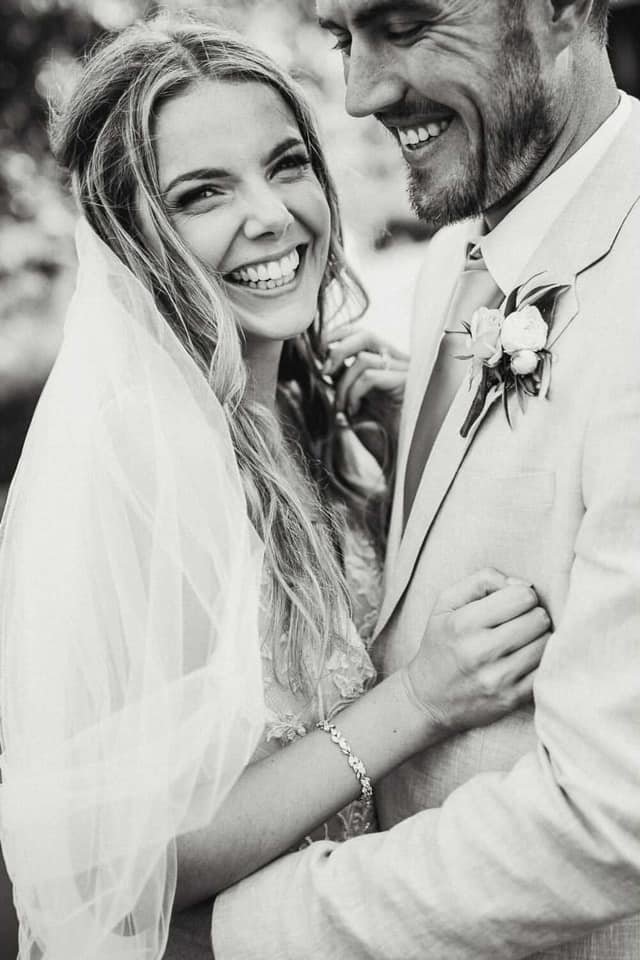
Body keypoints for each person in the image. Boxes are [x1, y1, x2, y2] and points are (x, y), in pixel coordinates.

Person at [0, 17, 550, 960]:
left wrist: (394, 479)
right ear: (133, 234)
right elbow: (110, 864)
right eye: (202, 193)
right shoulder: (144, 460)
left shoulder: (302, 409)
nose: (271, 215)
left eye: (286, 164)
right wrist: (415, 702)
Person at [211, 1, 640, 958]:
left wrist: (235, 933)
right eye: (341, 38)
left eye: (406, 25)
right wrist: (418, 447)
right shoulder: (459, 249)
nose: (361, 92)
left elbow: (612, 815)